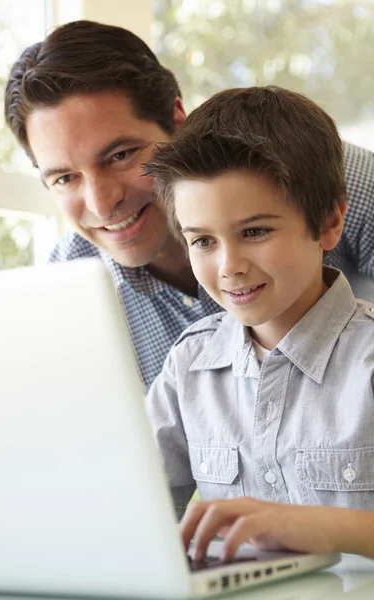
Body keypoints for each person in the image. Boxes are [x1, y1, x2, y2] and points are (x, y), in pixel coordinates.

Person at [4, 20, 374, 390]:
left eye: (120, 155)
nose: (101, 205)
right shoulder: (64, 289)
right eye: (65, 178)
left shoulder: (316, 174)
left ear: (177, 122)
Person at [144, 86, 374, 560]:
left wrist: (329, 527)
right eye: (203, 241)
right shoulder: (188, 365)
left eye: (255, 232)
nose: (229, 266)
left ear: (330, 222)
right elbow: (127, 516)